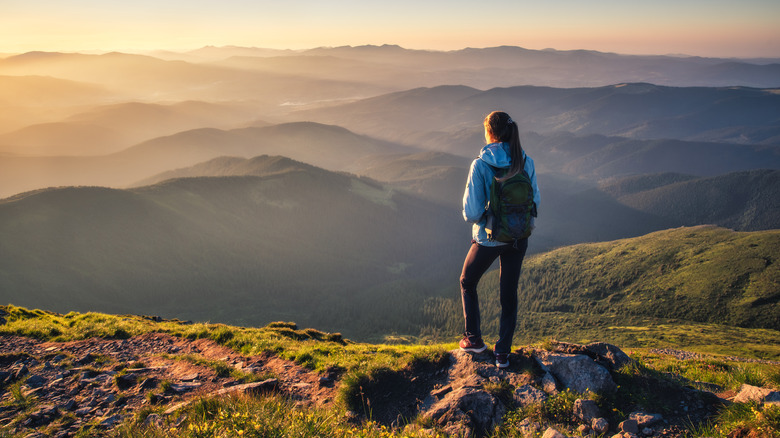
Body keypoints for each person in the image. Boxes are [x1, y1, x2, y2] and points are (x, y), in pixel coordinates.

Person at [459, 110, 539, 368]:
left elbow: (471, 212)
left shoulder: (481, 165)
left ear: (489, 133)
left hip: (490, 238)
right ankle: (503, 353)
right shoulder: (526, 161)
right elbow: (534, 201)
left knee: (467, 281)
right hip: (519, 237)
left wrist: (486, 219)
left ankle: (474, 340)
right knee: (509, 293)